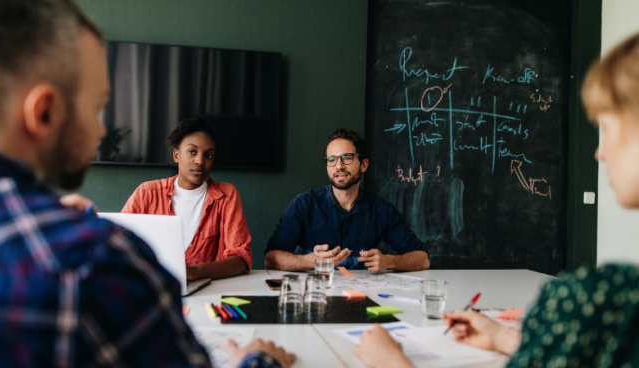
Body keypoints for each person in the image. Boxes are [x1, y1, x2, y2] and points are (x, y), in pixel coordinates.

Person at [0, 0, 295, 367]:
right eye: (96, 108)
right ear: (44, 112)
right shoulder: (98, 260)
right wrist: (260, 360)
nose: (102, 130)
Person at [354, 31, 639, 368]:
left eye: (609, 126)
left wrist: (392, 364)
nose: (599, 152)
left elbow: (420, 257)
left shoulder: (599, 302)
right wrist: (502, 336)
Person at [265, 127, 429, 272]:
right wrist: (310, 261)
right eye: (332, 160)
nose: (339, 166)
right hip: (316, 293)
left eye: (347, 158)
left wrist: (389, 261)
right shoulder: (304, 205)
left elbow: (422, 259)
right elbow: (271, 258)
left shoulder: (381, 209)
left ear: (363, 165)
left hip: (364, 293)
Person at [121, 118, 253, 281]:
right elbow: (117, 244)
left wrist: (196, 271)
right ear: (176, 155)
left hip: (208, 293)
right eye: (192, 152)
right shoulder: (146, 193)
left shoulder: (226, 195)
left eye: (209, 155)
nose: (200, 161)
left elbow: (241, 260)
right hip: (155, 287)